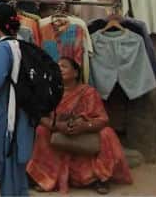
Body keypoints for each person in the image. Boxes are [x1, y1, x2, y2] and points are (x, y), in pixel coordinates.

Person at [27, 58, 132, 194]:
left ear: (76, 73)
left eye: (64, 67)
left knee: (107, 133)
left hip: (84, 136)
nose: (59, 70)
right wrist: (57, 125)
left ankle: (101, 178)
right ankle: (45, 177)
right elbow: (40, 116)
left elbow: (102, 119)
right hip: (58, 133)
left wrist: (84, 126)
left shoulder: (88, 92)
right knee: (41, 130)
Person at [0, 3, 35, 197]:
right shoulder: (22, 43)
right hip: (23, 112)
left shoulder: (4, 47)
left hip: (10, 115)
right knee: (18, 168)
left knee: (6, 163)